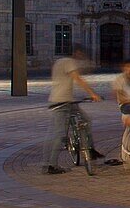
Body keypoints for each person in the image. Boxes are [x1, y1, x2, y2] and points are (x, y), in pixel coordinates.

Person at [41, 46, 103, 174]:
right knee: (60, 135)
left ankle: (90, 149)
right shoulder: (69, 62)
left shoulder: (59, 61)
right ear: (77, 53)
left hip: (67, 101)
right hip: (61, 102)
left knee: (86, 119)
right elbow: (78, 79)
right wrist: (93, 94)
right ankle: (50, 165)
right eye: (81, 56)